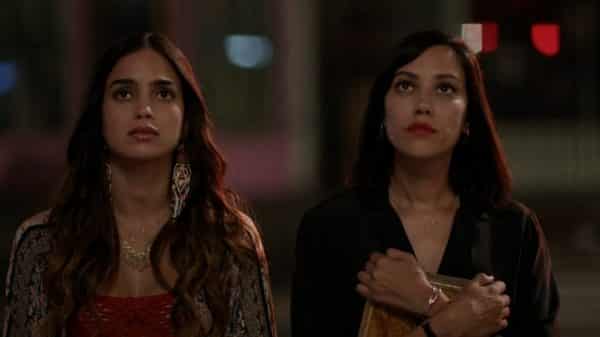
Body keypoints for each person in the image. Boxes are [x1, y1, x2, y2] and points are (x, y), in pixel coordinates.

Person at [3, 32, 277, 337]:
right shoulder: (43, 244)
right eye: (124, 93)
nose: (143, 109)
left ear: (186, 119)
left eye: (163, 94)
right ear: (100, 116)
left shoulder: (228, 241)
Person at [292, 30, 559, 337]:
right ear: (382, 110)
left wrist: (427, 301)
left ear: (469, 119)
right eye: (405, 86)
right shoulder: (328, 228)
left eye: (445, 88)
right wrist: (446, 322)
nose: (423, 104)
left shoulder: (514, 230)